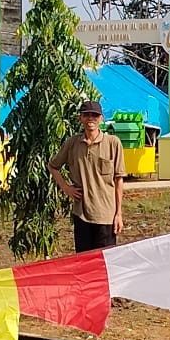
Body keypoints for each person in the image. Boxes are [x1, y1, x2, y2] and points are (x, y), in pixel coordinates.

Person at [48, 100, 125, 253]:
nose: (91, 119)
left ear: (101, 118)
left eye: (95, 115)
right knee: (83, 263)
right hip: (81, 214)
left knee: (104, 263)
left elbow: (118, 180)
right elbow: (53, 166)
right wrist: (66, 188)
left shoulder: (112, 143)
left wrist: (118, 214)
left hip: (106, 215)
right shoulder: (73, 143)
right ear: (80, 118)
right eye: (87, 115)